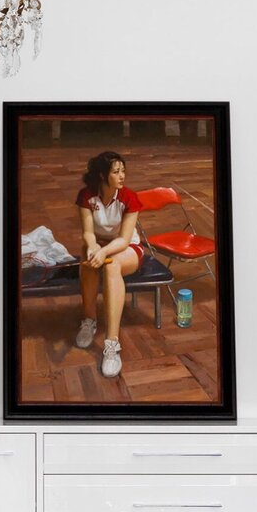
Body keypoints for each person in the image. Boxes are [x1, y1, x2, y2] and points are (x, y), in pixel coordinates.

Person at [74, 150, 143, 377]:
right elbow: (87, 233)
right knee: (88, 260)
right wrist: (93, 248)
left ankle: (112, 345)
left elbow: (123, 239)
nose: (122, 176)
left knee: (111, 265)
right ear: (103, 176)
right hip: (100, 245)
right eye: (116, 172)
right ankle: (89, 320)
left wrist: (103, 252)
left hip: (126, 248)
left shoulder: (129, 198)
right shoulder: (86, 196)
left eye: (123, 171)